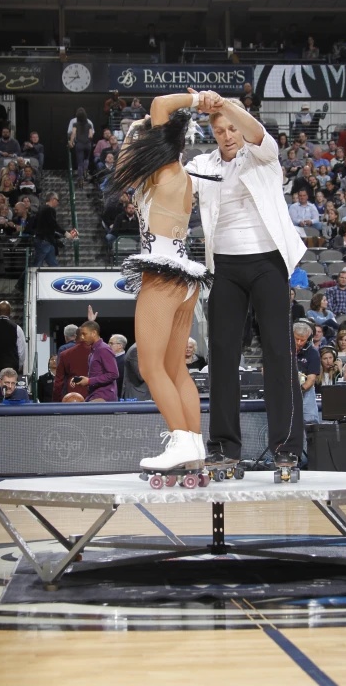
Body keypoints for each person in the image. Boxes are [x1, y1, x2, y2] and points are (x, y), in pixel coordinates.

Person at [185, 89, 306, 468]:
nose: (228, 135)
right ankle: (223, 447)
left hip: (268, 261)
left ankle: (286, 448)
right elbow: (177, 187)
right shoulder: (202, 164)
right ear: (213, 133)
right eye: (220, 130)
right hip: (225, 267)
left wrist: (223, 105)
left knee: (278, 352)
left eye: (232, 127)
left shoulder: (262, 155)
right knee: (221, 355)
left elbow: (254, 131)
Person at [112, 92, 215, 470]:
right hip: (186, 278)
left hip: (162, 274)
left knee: (151, 367)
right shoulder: (181, 177)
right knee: (176, 370)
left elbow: (159, 104)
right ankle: (194, 446)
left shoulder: (163, 170)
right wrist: (133, 132)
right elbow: (125, 166)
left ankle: (179, 440)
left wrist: (197, 98)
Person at [71, 321, 118, 402]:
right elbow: (97, 373)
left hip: (103, 396)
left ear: (94, 333)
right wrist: (81, 379)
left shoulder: (103, 349)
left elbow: (113, 374)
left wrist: (89, 381)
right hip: (94, 394)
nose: (82, 337)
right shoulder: (94, 350)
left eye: (84, 334)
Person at [33, 192, 77, 268]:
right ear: (53, 200)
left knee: (53, 265)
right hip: (44, 241)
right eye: (57, 200)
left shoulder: (41, 209)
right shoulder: (50, 210)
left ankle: (57, 278)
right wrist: (66, 233)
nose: (58, 203)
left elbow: (46, 226)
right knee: (36, 265)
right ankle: (26, 279)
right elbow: (53, 225)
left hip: (47, 241)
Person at [52, 328, 91, 402]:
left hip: (71, 394)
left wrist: (56, 401)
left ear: (76, 336)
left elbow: (59, 381)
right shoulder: (96, 352)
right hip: (92, 394)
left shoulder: (64, 353)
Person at [293, 321, 319, 425]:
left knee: (310, 421)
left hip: (304, 389)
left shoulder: (313, 352)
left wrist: (299, 390)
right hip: (283, 389)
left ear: (308, 339)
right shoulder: (282, 349)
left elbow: (311, 379)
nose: (299, 343)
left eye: (302, 340)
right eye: (296, 339)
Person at [69, 109, 93, 188]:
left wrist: (71, 142)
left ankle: (80, 178)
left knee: (80, 163)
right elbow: (91, 135)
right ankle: (85, 169)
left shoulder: (75, 124)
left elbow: (73, 133)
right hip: (88, 144)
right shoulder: (89, 124)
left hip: (79, 144)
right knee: (86, 159)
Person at [108, 333, 127, 399]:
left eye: (111, 343)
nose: (108, 345)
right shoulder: (112, 359)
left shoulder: (124, 361)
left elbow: (121, 381)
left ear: (120, 346)